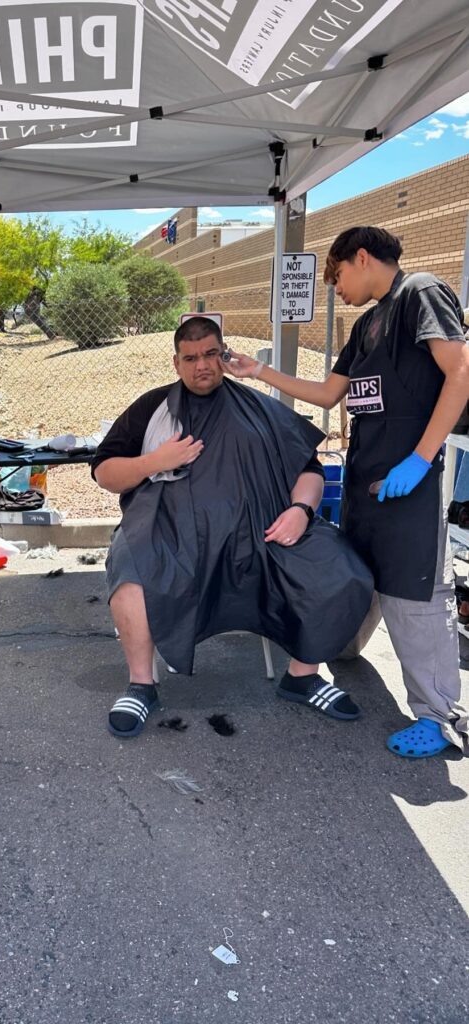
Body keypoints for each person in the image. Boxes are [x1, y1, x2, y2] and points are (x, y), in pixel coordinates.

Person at [226, 226, 469, 758]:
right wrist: (257, 371)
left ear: (361, 258)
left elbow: (461, 371)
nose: (335, 289)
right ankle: (343, 651)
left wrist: (421, 458)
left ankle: (440, 717)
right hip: (366, 480)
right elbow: (328, 393)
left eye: (337, 276)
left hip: (412, 485)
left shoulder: (420, 294)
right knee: (357, 574)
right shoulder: (368, 324)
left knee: (415, 596)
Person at [92, 316, 374, 739]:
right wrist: (155, 462)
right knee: (131, 572)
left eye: (210, 354)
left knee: (339, 566)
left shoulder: (259, 408)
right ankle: (141, 685)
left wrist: (300, 510)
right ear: (176, 363)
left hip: (261, 532)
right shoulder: (154, 409)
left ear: (223, 355)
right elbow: (105, 473)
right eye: (190, 358)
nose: (201, 365)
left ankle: (302, 675)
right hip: (172, 532)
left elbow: (310, 470)